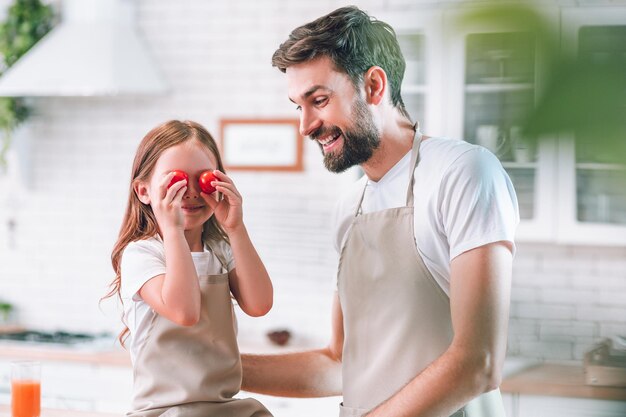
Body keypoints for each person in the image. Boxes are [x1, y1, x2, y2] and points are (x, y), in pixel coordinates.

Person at [241, 6, 519, 417]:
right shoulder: (349, 208)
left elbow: (477, 364)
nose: (305, 125)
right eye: (298, 106)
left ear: (373, 85)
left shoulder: (462, 173)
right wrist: (221, 366)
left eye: (318, 100)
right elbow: (338, 363)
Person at [104, 120, 274, 417]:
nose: (192, 192)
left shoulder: (219, 249)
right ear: (144, 191)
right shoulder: (143, 254)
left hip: (223, 407)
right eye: (176, 182)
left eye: (203, 179)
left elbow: (259, 304)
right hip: (164, 410)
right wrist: (172, 231)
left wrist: (235, 228)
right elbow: (184, 311)